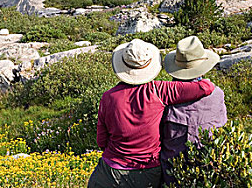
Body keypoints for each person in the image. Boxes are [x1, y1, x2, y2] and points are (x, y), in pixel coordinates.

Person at [87, 39, 216, 188]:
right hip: (146, 172)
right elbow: (205, 88)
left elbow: (101, 141)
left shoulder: (107, 97)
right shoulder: (159, 90)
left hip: (108, 171)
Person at [160, 36, 227, 187]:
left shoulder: (165, 98)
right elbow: (223, 125)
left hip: (172, 174)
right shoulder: (217, 94)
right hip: (209, 170)